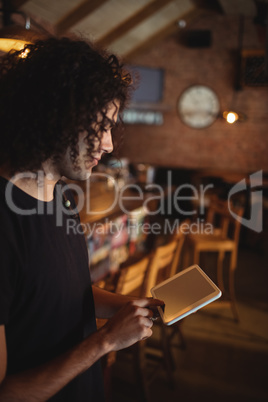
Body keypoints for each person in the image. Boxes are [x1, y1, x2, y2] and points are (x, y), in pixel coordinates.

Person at [0, 37, 163, 401]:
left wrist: (127, 306)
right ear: (56, 115)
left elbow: (62, 294)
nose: (108, 144)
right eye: (100, 125)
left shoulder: (61, 196)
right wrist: (105, 341)